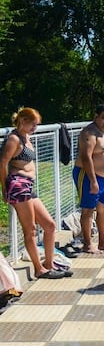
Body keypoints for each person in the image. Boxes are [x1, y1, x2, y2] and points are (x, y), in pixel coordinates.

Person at [0, 108, 72, 279]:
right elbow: (3, 163)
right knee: (30, 230)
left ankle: (49, 263)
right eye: (33, 124)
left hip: (28, 187)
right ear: (23, 120)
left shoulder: (26, 137)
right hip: (18, 186)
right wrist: (4, 188)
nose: (35, 128)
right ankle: (39, 269)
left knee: (49, 225)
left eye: (37, 125)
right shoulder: (14, 138)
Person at [73, 103, 104, 254]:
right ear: (96, 117)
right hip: (87, 175)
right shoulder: (89, 133)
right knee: (88, 209)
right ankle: (87, 243)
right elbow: (86, 158)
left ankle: (103, 241)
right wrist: (93, 181)